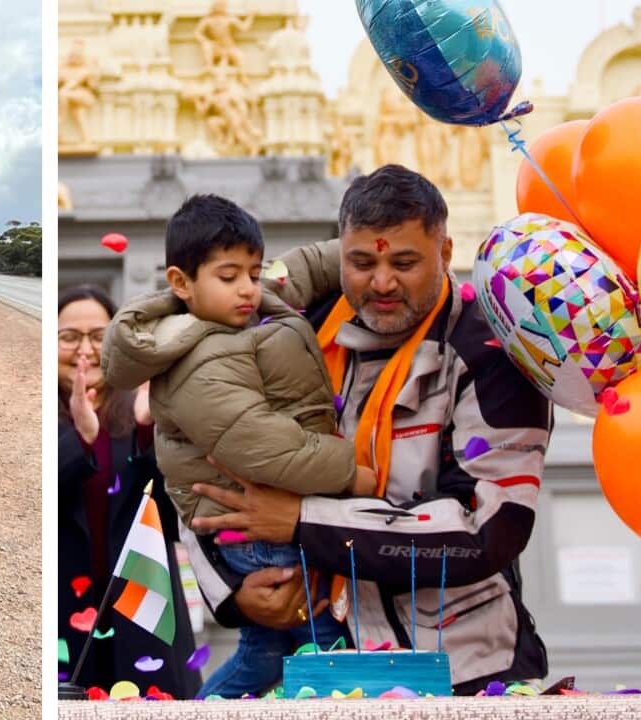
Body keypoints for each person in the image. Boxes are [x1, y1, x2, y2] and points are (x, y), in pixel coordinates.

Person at [184, 165, 551, 695]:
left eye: (404, 262)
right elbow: (194, 457)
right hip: (303, 657)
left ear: (446, 254)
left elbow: (486, 527)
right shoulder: (293, 329)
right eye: (361, 263)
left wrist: (304, 523)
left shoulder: (492, 351)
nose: (381, 283)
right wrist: (233, 593)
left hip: (464, 669)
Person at [101, 195, 377, 698]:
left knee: (262, 656)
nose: (248, 288)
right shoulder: (196, 362)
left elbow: (308, 267)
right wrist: (352, 473)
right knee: (332, 649)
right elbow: (264, 446)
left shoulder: (245, 307)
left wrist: (368, 249)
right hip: (263, 534)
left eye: (252, 271)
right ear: (181, 283)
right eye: (230, 277)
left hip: (268, 518)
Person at [57, 285, 202, 699]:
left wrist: (147, 432)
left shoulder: (150, 410)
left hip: (143, 610)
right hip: (65, 609)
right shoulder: (38, 413)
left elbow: (177, 517)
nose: (84, 349)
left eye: (99, 337)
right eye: (69, 337)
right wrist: (81, 441)